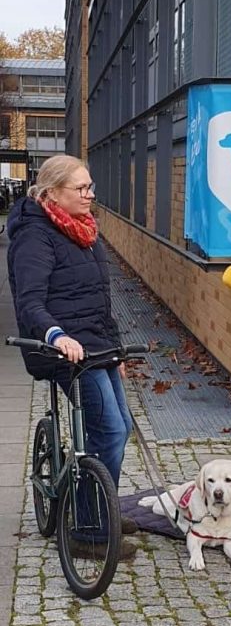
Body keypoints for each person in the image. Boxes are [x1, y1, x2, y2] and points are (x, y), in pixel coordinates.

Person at [7, 154, 138, 559]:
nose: (90, 194)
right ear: (51, 193)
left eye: (90, 186)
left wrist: (116, 349)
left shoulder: (84, 231)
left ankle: (100, 504)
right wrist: (56, 334)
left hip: (96, 347)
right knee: (110, 431)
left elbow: (100, 300)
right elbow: (30, 303)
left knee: (123, 427)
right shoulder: (34, 236)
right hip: (60, 350)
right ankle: (90, 528)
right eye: (80, 188)